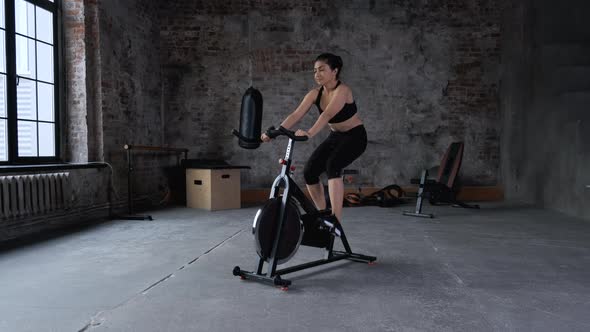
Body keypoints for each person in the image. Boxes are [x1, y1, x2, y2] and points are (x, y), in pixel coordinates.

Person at [261, 53, 367, 226]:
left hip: (355, 136)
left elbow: (327, 115)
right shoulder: (314, 94)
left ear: (334, 71)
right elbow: (295, 114)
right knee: (310, 172)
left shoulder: (343, 91)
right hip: (336, 136)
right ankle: (322, 215)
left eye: (322, 70)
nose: (317, 74)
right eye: (315, 71)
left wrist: (309, 133)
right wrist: (275, 132)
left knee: (333, 165)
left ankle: (336, 220)